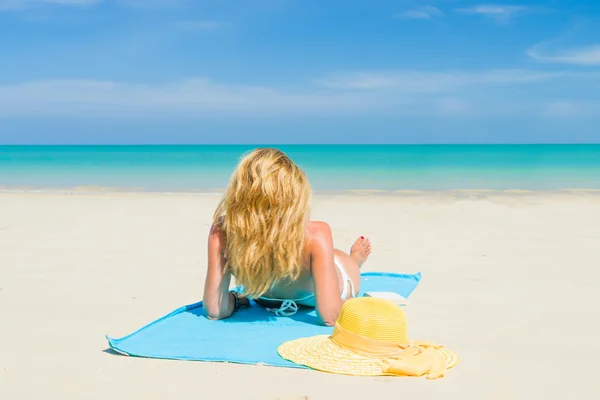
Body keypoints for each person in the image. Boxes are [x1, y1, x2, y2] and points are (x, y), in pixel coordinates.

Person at [202, 148, 371, 326]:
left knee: (335, 258)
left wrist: (235, 299)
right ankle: (352, 260)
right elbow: (330, 317)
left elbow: (215, 310)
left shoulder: (222, 231)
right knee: (335, 258)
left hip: (264, 298)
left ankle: (355, 260)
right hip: (321, 290)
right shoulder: (316, 233)